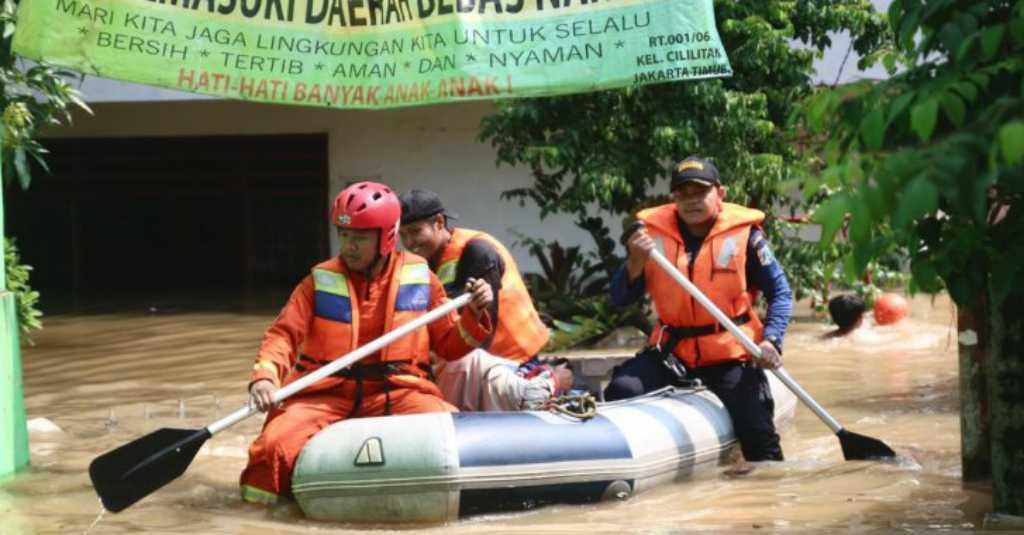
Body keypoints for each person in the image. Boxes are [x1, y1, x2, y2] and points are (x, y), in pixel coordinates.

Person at [239, 181, 495, 504]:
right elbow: (282, 335)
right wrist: (264, 377)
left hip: (400, 390)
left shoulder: (421, 278)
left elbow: (448, 345)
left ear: (386, 236)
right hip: (327, 393)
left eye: (359, 237)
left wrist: (474, 314)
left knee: (454, 438)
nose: (349, 246)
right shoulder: (318, 280)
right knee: (271, 450)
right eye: (344, 235)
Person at [605, 156, 792, 463]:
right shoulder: (650, 236)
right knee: (621, 390)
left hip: (728, 353)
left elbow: (780, 293)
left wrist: (771, 340)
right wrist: (635, 262)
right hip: (672, 351)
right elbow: (619, 298)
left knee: (759, 438)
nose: (691, 200)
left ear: (720, 193)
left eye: (700, 192)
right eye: (683, 193)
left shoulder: (749, 238)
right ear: (673, 198)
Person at [397, 189, 572, 411]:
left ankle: (545, 383)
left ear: (439, 222)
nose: (410, 242)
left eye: (416, 231)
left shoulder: (478, 251)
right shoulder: (421, 262)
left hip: (509, 360)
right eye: (403, 235)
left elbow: (482, 329)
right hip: (462, 355)